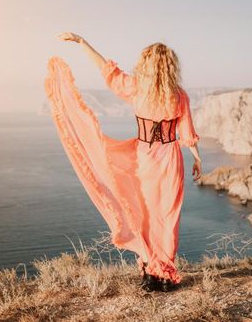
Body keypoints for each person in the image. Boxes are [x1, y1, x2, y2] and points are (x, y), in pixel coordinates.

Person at [45, 32, 202, 292]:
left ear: (147, 65)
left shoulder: (137, 88)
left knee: (144, 214)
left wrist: (83, 42)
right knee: (166, 217)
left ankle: (149, 271)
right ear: (171, 66)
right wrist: (197, 160)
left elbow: (105, 69)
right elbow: (187, 135)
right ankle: (163, 272)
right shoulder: (179, 96)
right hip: (170, 161)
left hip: (143, 159)